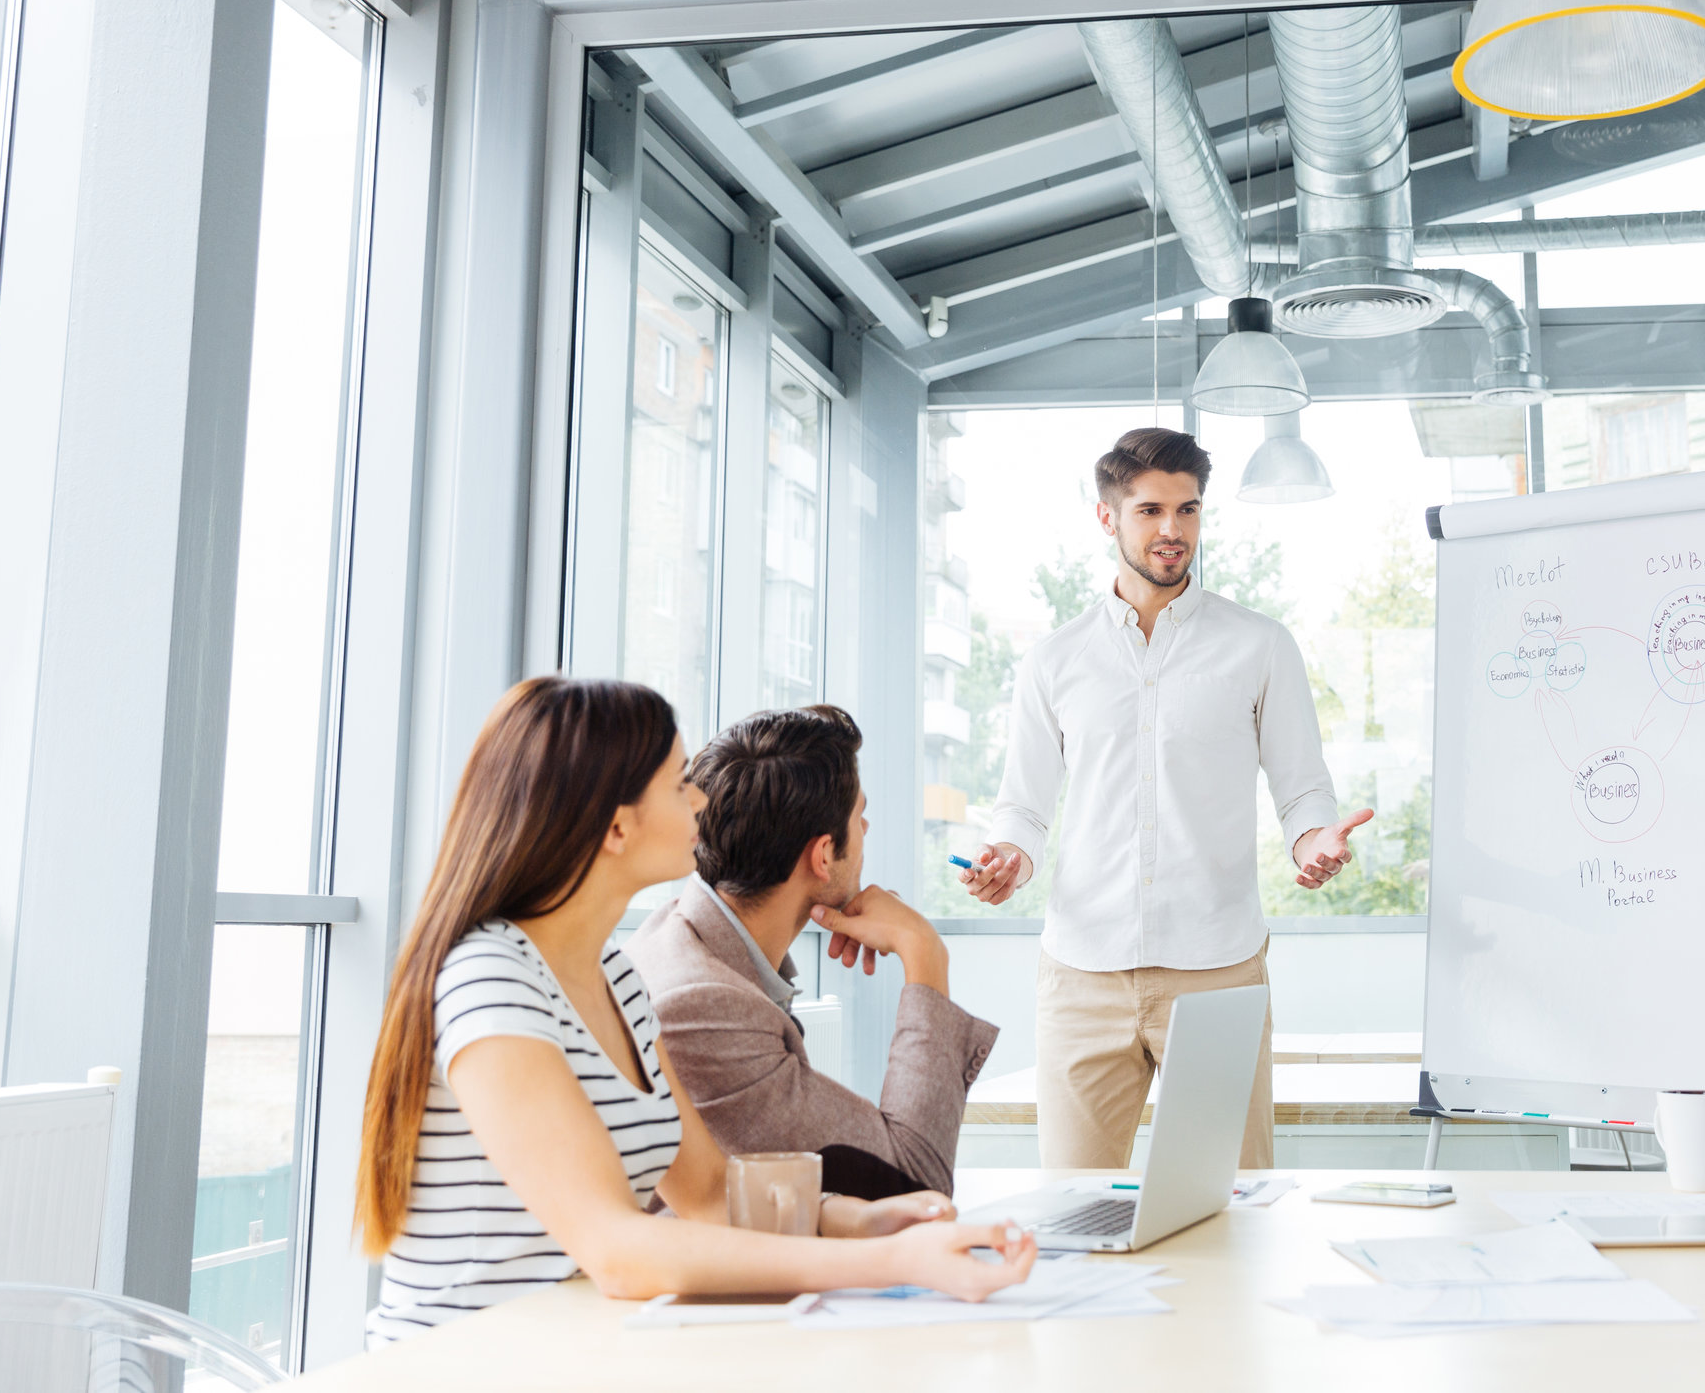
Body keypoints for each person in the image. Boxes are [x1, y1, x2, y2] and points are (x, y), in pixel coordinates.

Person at [355, 676, 1034, 1347]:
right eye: (680, 780)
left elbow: (710, 1191)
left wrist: (862, 1221)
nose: (702, 797)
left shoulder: (614, 977)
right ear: (618, 826)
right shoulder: (490, 979)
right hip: (459, 1366)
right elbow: (616, 1248)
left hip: (567, 1354)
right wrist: (887, 1263)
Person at [960, 425, 1373, 1169]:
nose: (1172, 530)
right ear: (1106, 515)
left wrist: (1316, 841)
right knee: (1074, 1210)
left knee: (1232, 1210)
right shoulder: (1054, 659)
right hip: (1083, 975)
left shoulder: (1260, 644)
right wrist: (1008, 861)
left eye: (1188, 510)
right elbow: (1023, 807)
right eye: (1150, 510)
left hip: (1217, 969)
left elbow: (1303, 788)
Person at [627, 704, 997, 1197]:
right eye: (859, 816)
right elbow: (913, 1182)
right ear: (823, 855)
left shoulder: (675, 932)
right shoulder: (706, 1002)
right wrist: (924, 953)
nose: (865, 832)